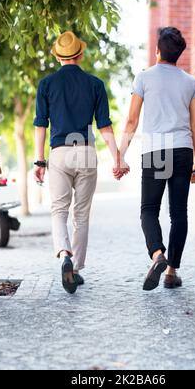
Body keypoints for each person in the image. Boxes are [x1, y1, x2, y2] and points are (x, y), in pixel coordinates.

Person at [33, 31, 129, 295]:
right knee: (81, 214)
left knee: (59, 210)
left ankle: (64, 253)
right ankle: (74, 269)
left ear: (57, 55)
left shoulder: (47, 84)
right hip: (86, 151)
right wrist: (117, 157)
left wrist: (39, 161)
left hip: (60, 152)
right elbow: (105, 126)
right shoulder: (95, 84)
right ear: (80, 54)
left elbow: (41, 125)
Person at [115, 27, 195, 292]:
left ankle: (157, 255)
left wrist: (120, 156)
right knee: (179, 213)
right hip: (182, 149)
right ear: (179, 54)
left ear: (157, 51)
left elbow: (131, 120)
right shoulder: (190, 82)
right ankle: (171, 272)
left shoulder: (144, 77)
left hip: (156, 150)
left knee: (149, 210)